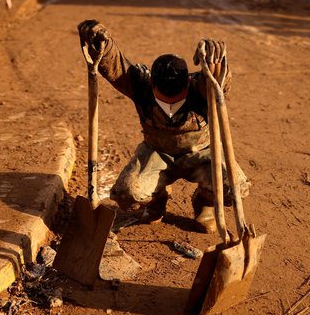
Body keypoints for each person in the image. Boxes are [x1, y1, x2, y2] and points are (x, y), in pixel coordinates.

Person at [78, 20, 250, 234]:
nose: (169, 102)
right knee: (126, 192)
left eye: (176, 97)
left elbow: (220, 83)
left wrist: (217, 64)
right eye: (163, 96)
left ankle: (204, 203)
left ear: (188, 81)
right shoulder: (142, 85)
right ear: (153, 84)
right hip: (157, 155)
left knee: (234, 187)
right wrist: (101, 44)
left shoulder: (202, 87)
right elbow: (117, 67)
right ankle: (156, 201)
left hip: (201, 155)